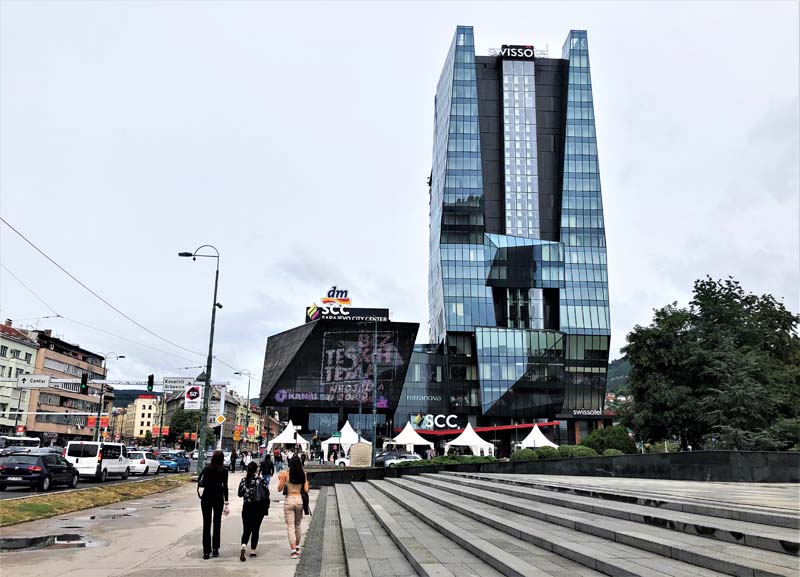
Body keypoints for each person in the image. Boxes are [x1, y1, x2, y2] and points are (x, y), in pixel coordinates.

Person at [199, 449, 229, 560]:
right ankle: (215, 549)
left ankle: (206, 551)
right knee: (217, 523)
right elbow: (225, 487)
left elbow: (203, 483)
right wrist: (226, 502)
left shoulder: (207, 469)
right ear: (222, 459)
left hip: (207, 497)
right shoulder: (224, 471)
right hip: (218, 498)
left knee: (206, 524)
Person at [277, 455, 309, 559]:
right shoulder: (303, 474)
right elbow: (306, 490)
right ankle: (297, 546)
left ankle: (293, 549)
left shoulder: (285, 474)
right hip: (299, 500)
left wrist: (281, 479)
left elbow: (279, 488)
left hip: (289, 499)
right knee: (298, 525)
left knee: (290, 526)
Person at [238, 461, 269, 561]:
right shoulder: (260, 480)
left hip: (247, 507)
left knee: (246, 529)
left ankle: (243, 546)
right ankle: (253, 551)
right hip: (258, 507)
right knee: (255, 529)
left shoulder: (243, 480)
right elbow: (266, 492)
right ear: (256, 470)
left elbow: (240, 494)